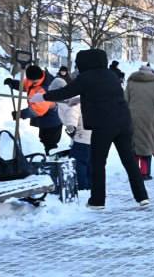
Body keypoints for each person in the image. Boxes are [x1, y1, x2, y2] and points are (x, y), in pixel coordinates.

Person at [45, 49, 148, 210]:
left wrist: (43, 97)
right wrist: (78, 99)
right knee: (129, 161)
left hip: (104, 125)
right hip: (124, 123)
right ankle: (142, 197)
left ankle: (97, 201)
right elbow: (102, 94)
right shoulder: (111, 76)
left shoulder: (86, 77)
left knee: (98, 163)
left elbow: (65, 91)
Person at [124, 64, 154, 180]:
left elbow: (124, 101)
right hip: (150, 120)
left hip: (132, 118)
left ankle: (135, 172)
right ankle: (145, 173)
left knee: (134, 145)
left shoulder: (130, 85)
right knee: (147, 143)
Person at [10, 65, 65, 153]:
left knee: (50, 143)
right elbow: (25, 85)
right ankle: (47, 156)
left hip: (53, 119)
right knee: (43, 138)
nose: (29, 82)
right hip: (45, 117)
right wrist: (13, 83)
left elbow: (36, 110)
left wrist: (20, 114)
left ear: (37, 79)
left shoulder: (47, 89)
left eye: (32, 81)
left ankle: (51, 160)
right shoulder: (35, 78)